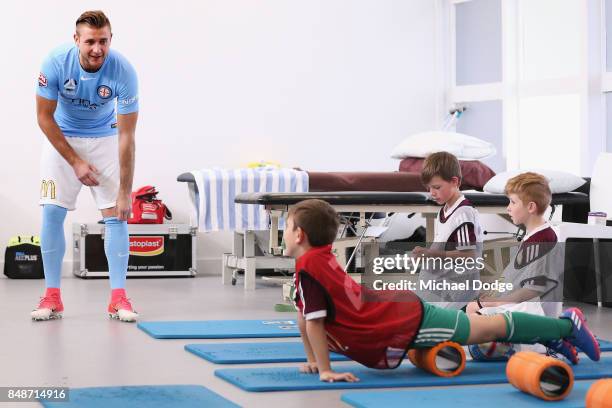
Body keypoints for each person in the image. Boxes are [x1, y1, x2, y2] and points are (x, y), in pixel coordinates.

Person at [284, 199, 600, 383]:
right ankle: (551, 332)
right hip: (395, 312)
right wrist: (314, 361)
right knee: (484, 328)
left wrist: (324, 369)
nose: (283, 234)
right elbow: (305, 317)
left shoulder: (311, 266)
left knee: (484, 328)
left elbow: (313, 322)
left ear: (299, 235)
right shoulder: (315, 261)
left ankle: (563, 326)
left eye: (285, 228)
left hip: (405, 319)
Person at [32, 10, 139, 322]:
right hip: (62, 137)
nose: (97, 49)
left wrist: (125, 192)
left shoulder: (124, 72)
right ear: (76, 40)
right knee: (52, 212)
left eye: (103, 41)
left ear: (110, 40)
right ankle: (52, 296)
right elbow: (43, 117)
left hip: (105, 138)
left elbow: (127, 137)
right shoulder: (54, 63)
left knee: (117, 216)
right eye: (90, 41)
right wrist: (75, 161)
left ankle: (118, 298)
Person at [467, 172, 565, 360]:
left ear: (530, 207)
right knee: (473, 311)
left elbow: (532, 290)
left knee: (475, 319)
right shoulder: (533, 236)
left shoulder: (543, 240)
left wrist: (495, 302)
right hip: (523, 306)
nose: (508, 208)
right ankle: (507, 344)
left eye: (512, 202)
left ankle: (539, 344)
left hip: (534, 313)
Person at [412, 151, 484, 308]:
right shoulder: (445, 209)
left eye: (437, 187)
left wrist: (431, 253)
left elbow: (469, 255)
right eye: (429, 188)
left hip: (455, 292)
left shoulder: (463, 213)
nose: (431, 193)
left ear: (454, 181)